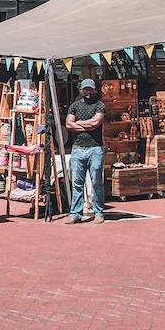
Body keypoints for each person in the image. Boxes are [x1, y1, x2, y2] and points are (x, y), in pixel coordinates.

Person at [63, 79, 106, 225]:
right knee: (77, 183)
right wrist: (86, 125)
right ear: (81, 90)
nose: (88, 92)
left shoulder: (99, 105)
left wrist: (79, 123)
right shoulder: (74, 106)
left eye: (90, 89)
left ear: (94, 90)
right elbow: (68, 124)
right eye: (85, 89)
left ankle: (99, 212)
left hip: (95, 148)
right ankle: (75, 213)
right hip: (78, 149)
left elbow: (95, 123)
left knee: (96, 182)